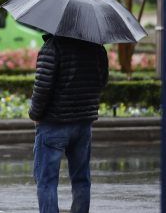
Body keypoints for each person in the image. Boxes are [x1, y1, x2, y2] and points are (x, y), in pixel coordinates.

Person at [29, 34, 108, 213]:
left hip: (53, 123)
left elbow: (42, 87)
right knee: (81, 179)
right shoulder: (96, 47)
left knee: (47, 181)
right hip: (83, 123)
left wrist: (35, 114)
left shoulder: (53, 47)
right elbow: (102, 81)